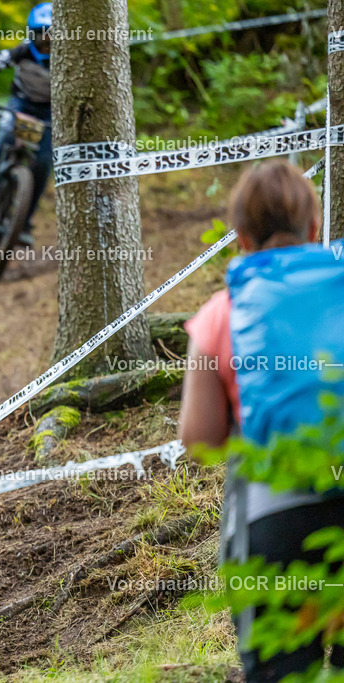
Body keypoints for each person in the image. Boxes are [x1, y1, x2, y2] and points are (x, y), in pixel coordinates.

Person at [179, 160, 344, 681]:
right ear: (315, 229)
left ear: (240, 239)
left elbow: (198, 439)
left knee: (280, 672)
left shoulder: (220, 314)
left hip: (276, 517)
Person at [0, 2, 53, 246]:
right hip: (22, 106)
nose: (45, 42)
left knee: (44, 162)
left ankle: (24, 222)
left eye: (51, 36)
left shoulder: (69, 57)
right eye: (40, 35)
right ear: (31, 34)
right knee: (5, 140)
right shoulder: (22, 52)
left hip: (50, 113)